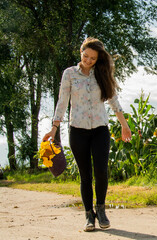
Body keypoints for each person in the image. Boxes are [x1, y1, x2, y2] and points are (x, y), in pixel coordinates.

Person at [43, 37, 132, 232]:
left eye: (93, 58)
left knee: (101, 171)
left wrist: (124, 125)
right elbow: (62, 102)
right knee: (85, 175)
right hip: (78, 131)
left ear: (98, 59)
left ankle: (101, 209)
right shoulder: (69, 74)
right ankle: (88, 215)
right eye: (86, 56)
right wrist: (54, 129)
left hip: (100, 129)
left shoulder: (101, 74)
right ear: (80, 52)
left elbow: (113, 101)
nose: (88, 60)